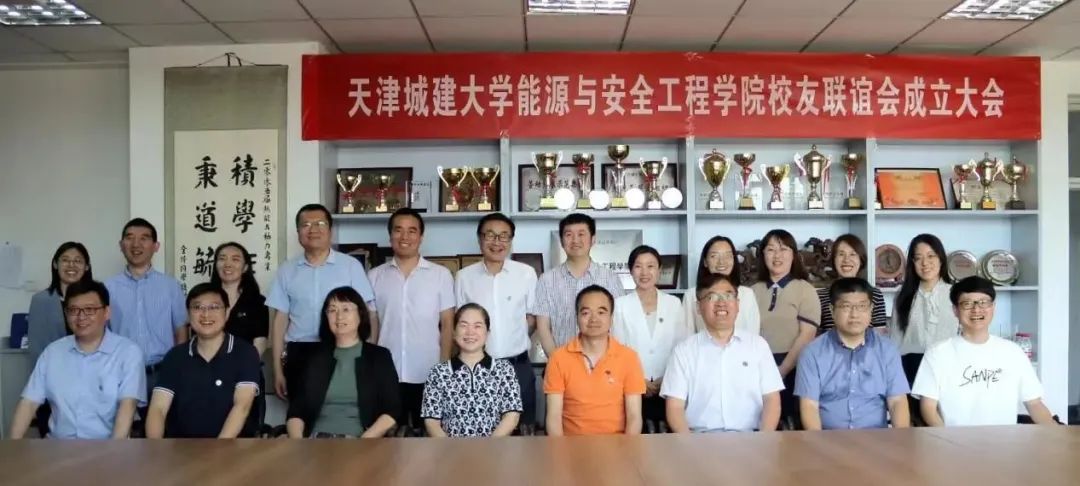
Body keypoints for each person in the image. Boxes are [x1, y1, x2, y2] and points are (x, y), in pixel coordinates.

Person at [9, 280, 145, 439]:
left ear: (107, 313)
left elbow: (127, 409)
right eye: (73, 310)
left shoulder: (128, 353)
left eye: (90, 309)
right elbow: (28, 404)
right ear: (66, 314)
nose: (81, 317)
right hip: (57, 447)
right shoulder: (53, 352)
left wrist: (113, 453)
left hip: (106, 448)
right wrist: (11, 447)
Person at [912, 276, 1055, 427]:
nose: (976, 309)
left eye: (983, 302)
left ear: (993, 307)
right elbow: (928, 408)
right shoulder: (937, 353)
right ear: (955, 310)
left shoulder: (1013, 352)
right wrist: (947, 438)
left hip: (1005, 440)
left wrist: (1057, 433)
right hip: (955, 440)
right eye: (967, 304)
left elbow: (1034, 403)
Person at [268, 204, 376, 401]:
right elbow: (279, 321)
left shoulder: (350, 266)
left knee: (341, 409)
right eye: (306, 225)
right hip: (300, 353)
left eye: (320, 223)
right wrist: (277, 370)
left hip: (342, 350)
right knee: (300, 412)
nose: (313, 229)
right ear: (298, 232)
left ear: (330, 230)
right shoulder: (287, 270)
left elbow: (368, 314)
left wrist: (368, 357)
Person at [368, 208, 455, 433]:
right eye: (398, 230)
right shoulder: (375, 276)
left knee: (428, 436)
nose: (404, 237)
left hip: (428, 370)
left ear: (421, 237)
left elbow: (448, 324)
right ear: (390, 236)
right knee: (388, 438)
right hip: (387, 372)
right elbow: (373, 325)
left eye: (412, 231)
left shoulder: (440, 275)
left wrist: (444, 368)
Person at [662, 273, 782, 433]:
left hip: (751, 439)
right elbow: (675, 407)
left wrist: (763, 439)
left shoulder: (758, 346)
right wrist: (688, 443)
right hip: (699, 440)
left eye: (728, 296)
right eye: (711, 297)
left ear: (737, 304)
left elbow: (772, 400)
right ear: (698, 307)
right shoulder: (683, 351)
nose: (721, 303)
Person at [454, 213, 538, 431]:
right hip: (476, 367)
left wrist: (513, 340)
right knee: (479, 431)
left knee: (524, 431)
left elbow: (531, 318)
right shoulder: (464, 277)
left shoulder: (526, 274)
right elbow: (459, 322)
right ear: (479, 239)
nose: (497, 242)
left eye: (504, 236)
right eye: (490, 235)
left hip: (517, 366)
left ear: (511, 240)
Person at [145, 283, 262, 438]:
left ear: (227, 313)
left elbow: (242, 406)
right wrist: (155, 448)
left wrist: (218, 450)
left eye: (214, 307)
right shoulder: (175, 356)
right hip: (181, 448)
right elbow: (158, 409)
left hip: (232, 448)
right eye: (198, 307)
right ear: (188, 314)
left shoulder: (245, 353)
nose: (206, 314)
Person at [795, 278, 910, 430]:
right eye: (846, 306)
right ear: (831, 310)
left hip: (877, 439)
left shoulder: (887, 350)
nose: (854, 314)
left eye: (862, 306)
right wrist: (818, 443)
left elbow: (897, 401)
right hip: (829, 439)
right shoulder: (812, 353)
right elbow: (809, 406)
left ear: (871, 309)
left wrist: (901, 440)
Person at [286, 287, 401, 438]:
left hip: (361, 441)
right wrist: (298, 443)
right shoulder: (313, 357)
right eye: (332, 310)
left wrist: (365, 441)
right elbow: (296, 411)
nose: (339, 316)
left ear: (360, 314)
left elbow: (392, 410)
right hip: (315, 441)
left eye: (346, 309)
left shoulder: (379, 356)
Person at [544, 285, 645, 436]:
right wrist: (560, 450)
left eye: (601, 312)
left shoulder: (629, 358)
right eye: (586, 313)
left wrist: (626, 450)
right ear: (577, 317)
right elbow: (553, 418)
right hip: (570, 446)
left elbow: (634, 417)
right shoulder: (558, 358)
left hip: (616, 446)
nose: (593, 319)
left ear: (611, 318)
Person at [105, 219, 188, 394]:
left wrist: (178, 368)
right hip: (121, 373)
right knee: (125, 413)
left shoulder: (170, 286)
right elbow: (102, 333)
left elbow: (181, 331)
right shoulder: (108, 288)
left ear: (156, 246)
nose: (136, 244)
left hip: (163, 372)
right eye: (130, 238)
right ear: (121, 245)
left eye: (144, 238)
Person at [750, 229, 820, 429]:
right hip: (756, 368)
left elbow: (807, 335)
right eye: (771, 249)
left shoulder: (805, 289)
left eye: (783, 249)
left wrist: (782, 370)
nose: (777, 255)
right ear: (763, 255)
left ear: (793, 255)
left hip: (793, 368)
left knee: (790, 426)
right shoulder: (751, 291)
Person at [612, 245, 686, 432]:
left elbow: (681, 345)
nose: (644, 272)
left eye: (650, 266)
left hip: (668, 386)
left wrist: (666, 377)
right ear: (630, 271)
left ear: (659, 270)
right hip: (632, 388)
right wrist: (639, 380)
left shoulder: (674, 304)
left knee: (667, 442)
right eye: (638, 266)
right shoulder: (620, 305)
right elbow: (617, 347)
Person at [421, 303, 523, 437]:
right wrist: (449, 448)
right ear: (454, 332)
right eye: (463, 325)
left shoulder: (504, 370)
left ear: (487, 333)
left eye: (477, 326)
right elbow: (431, 422)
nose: (470, 332)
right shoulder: (438, 373)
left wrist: (490, 446)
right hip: (450, 448)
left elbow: (512, 416)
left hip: (494, 447)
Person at [533, 213, 625, 358]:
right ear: (561, 241)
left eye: (581, 234)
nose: (575, 240)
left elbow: (617, 324)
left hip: (603, 363)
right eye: (569, 235)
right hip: (562, 363)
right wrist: (558, 362)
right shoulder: (547, 280)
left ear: (593, 239)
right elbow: (543, 327)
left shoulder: (610, 278)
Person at [27, 242, 93, 437]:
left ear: (86, 267)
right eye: (65, 260)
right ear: (55, 264)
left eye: (78, 261)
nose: (71, 265)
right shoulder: (41, 300)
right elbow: (37, 348)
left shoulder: (96, 299)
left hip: (91, 385)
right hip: (54, 387)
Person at [887, 234, 957, 389]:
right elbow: (895, 340)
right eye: (918, 258)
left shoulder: (955, 294)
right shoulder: (903, 295)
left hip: (949, 369)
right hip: (911, 370)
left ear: (941, 259)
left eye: (931, 256)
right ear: (912, 263)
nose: (925, 263)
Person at [681, 235, 760, 335]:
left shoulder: (747, 294)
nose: (721, 262)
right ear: (705, 262)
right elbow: (686, 336)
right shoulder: (691, 295)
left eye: (727, 256)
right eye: (714, 256)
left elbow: (753, 334)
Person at [816, 235, 886, 334]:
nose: (846, 260)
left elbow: (880, 336)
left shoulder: (874, 294)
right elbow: (816, 336)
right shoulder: (820, 296)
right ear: (833, 260)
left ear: (861, 260)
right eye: (841, 254)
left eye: (852, 254)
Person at [211, 242, 269, 355]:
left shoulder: (257, 302)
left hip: (245, 363)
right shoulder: (204, 299)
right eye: (222, 259)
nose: (228, 264)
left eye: (235, 259)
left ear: (245, 267)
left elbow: (259, 344)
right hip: (207, 364)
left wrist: (245, 364)